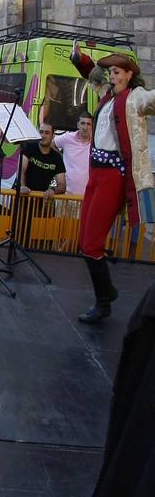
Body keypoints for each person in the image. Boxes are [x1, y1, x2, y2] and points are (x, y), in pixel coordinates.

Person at [68, 49, 155, 322]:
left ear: (130, 75)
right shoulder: (106, 94)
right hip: (96, 174)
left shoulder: (136, 97)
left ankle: (103, 302)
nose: (113, 76)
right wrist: (79, 59)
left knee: (92, 244)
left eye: (118, 72)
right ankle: (107, 292)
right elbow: (92, 75)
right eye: (112, 72)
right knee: (84, 241)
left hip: (114, 177)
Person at [53, 112, 93, 199]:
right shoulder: (67, 138)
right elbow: (52, 144)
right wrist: (59, 159)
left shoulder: (96, 142)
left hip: (86, 197)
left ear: (92, 127)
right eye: (82, 123)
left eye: (88, 124)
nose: (85, 127)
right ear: (78, 125)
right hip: (65, 195)